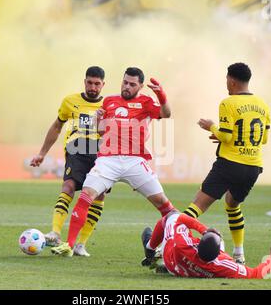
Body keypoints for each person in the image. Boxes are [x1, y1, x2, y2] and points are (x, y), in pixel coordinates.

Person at [51, 67, 177, 257]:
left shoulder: (146, 102)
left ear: (140, 86)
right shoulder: (109, 101)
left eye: (132, 84)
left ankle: (175, 246)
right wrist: (97, 120)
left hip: (135, 161)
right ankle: (69, 245)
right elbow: (101, 130)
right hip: (108, 159)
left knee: (165, 205)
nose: (127, 86)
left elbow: (166, 114)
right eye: (125, 82)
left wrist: (161, 94)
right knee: (86, 195)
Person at [182, 62, 271, 264]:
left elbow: (227, 136)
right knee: (232, 204)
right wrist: (224, 136)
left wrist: (210, 126)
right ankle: (239, 254)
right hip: (253, 167)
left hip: (230, 164)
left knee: (197, 206)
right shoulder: (263, 105)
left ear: (231, 80)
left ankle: (170, 244)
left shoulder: (228, 103)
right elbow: (263, 138)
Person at [30, 66, 107, 257]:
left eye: (97, 84)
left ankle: (81, 244)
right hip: (77, 149)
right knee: (68, 186)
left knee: (98, 196)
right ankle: (55, 233)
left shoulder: (109, 105)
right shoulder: (70, 101)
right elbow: (57, 126)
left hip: (101, 154)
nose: (93, 87)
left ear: (103, 85)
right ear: (84, 82)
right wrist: (42, 153)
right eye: (90, 82)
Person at [141, 212, 271, 278]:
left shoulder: (183, 245)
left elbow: (177, 217)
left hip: (172, 261)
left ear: (198, 245)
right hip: (181, 271)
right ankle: (159, 261)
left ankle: (150, 248)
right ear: (219, 253)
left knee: (169, 215)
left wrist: (203, 230)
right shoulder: (223, 265)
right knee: (220, 240)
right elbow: (257, 273)